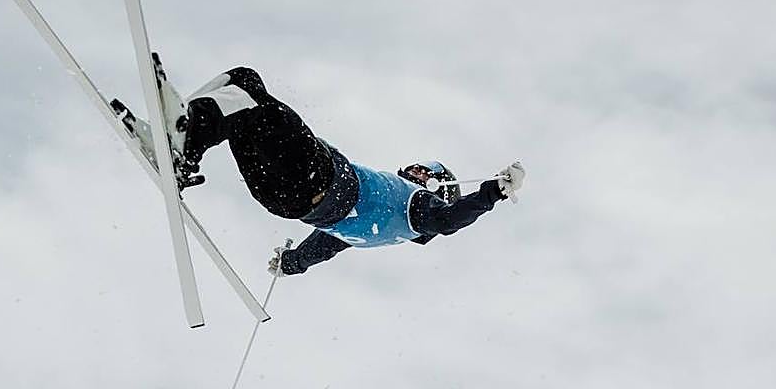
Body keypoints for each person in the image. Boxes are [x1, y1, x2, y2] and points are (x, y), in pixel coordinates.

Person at [162, 66, 525, 276]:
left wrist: (493, 192)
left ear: (434, 186)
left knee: (247, 85)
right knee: (242, 103)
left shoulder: (419, 209)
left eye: (420, 171)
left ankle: (184, 137)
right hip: (284, 201)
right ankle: (182, 137)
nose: (411, 171)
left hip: (318, 176)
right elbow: (324, 246)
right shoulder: (374, 231)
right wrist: (292, 263)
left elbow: (449, 220)